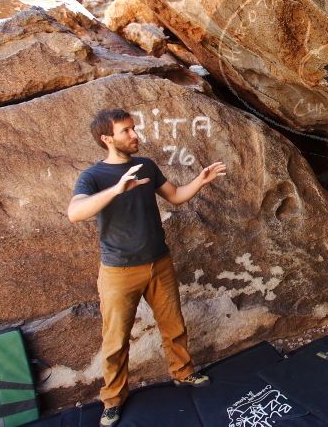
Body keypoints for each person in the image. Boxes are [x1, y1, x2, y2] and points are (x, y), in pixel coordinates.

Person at [67, 108, 227, 427]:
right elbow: (75, 213)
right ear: (106, 138)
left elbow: (176, 196)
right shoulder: (93, 176)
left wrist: (200, 180)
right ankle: (113, 400)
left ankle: (183, 373)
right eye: (126, 131)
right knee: (115, 341)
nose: (134, 135)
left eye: (134, 129)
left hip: (159, 262)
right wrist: (115, 190)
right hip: (118, 272)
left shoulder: (147, 165)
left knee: (173, 325)